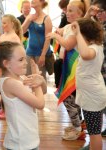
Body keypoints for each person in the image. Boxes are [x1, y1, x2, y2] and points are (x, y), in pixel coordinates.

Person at [0, 41, 46, 150]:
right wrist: (36, 81)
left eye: (25, 58)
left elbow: (42, 92)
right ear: (6, 64)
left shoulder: (21, 78)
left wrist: (40, 81)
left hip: (29, 138)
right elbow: (40, 103)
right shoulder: (10, 83)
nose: (25, 62)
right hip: (20, 143)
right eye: (21, 60)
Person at [46, 0, 86, 140]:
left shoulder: (78, 27)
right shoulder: (70, 26)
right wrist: (57, 31)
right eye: (67, 10)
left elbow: (68, 45)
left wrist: (55, 36)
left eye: (70, 11)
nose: (66, 13)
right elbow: (61, 30)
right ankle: (78, 125)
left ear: (80, 14)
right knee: (71, 97)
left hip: (73, 68)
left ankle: (77, 127)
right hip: (65, 66)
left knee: (68, 97)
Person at [71, 18, 106, 150]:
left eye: (79, 36)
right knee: (94, 132)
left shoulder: (93, 49)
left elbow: (85, 54)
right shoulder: (95, 46)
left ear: (84, 36)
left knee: (94, 133)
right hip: (93, 95)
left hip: (93, 97)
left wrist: (78, 33)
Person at [0, 14, 23, 119]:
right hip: (0, 66)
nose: (2, 25)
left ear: (12, 24)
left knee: (8, 88)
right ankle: (3, 108)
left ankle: (9, 110)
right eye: (2, 23)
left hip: (9, 67)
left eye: (4, 23)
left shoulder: (14, 37)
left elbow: (16, 53)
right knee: (0, 88)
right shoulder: (3, 36)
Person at [22, 0, 53, 80]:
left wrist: (43, 55)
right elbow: (21, 31)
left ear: (41, 2)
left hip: (41, 54)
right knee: (28, 77)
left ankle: (41, 93)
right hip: (29, 52)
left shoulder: (46, 18)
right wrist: (28, 20)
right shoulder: (30, 16)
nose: (32, 1)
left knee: (40, 78)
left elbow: (48, 38)